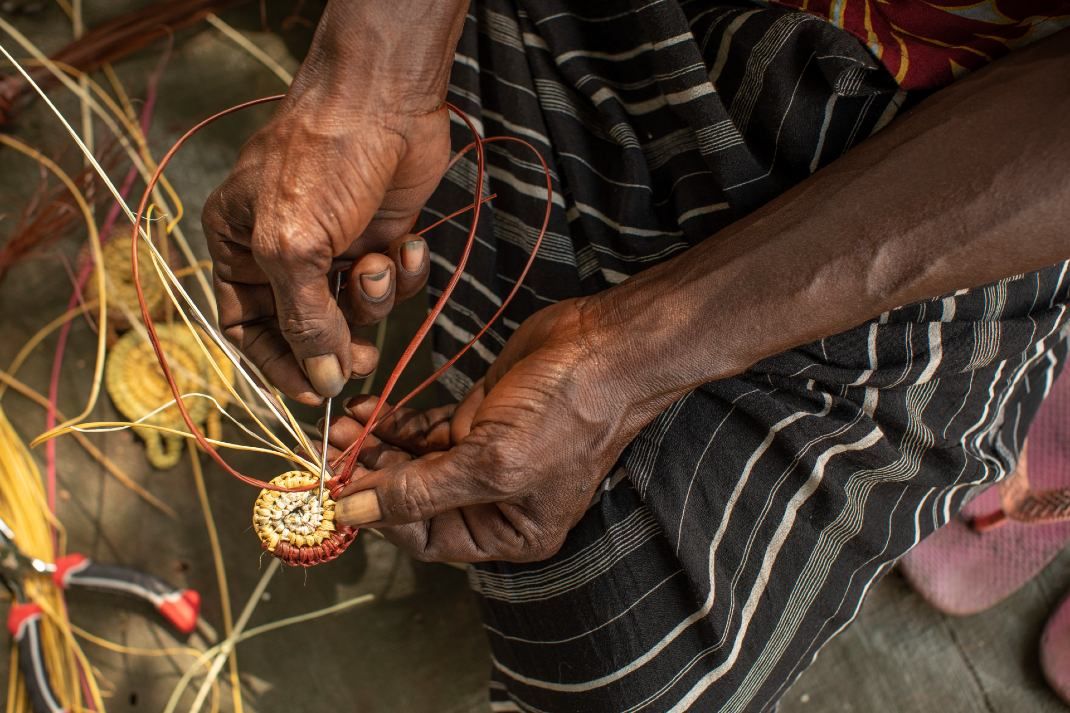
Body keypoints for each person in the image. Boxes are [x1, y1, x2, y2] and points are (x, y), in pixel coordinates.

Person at [202, 2, 1070, 710]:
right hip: (619, 21)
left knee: (621, 660)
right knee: (423, 273)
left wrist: (630, 357)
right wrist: (372, 71)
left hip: (940, 169)